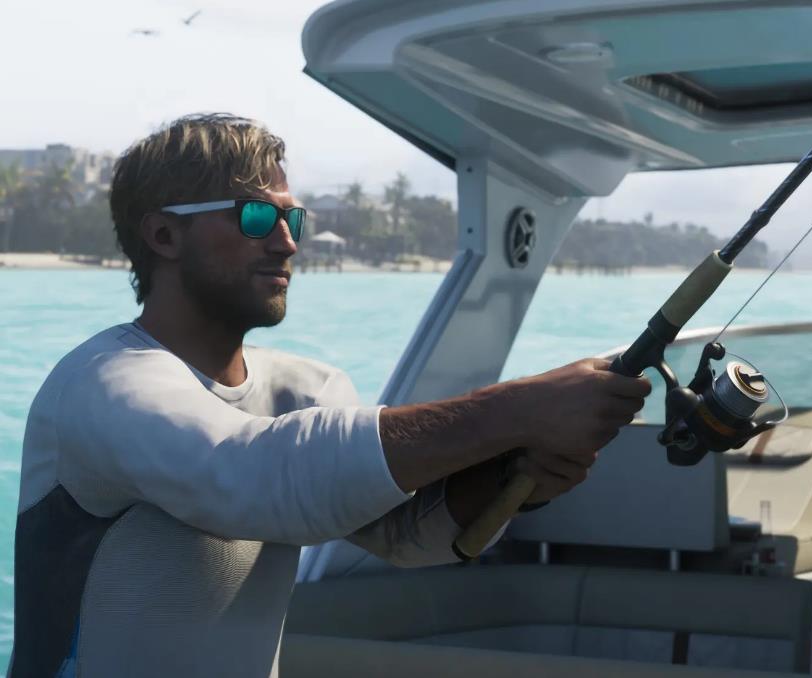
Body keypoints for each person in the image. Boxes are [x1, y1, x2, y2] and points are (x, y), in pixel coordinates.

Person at [10, 113, 651, 677]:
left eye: (293, 218)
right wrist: (522, 409)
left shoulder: (306, 391)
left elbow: (406, 534)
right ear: (164, 237)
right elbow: (250, 474)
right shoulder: (105, 385)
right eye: (256, 216)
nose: (287, 241)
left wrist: (518, 476)